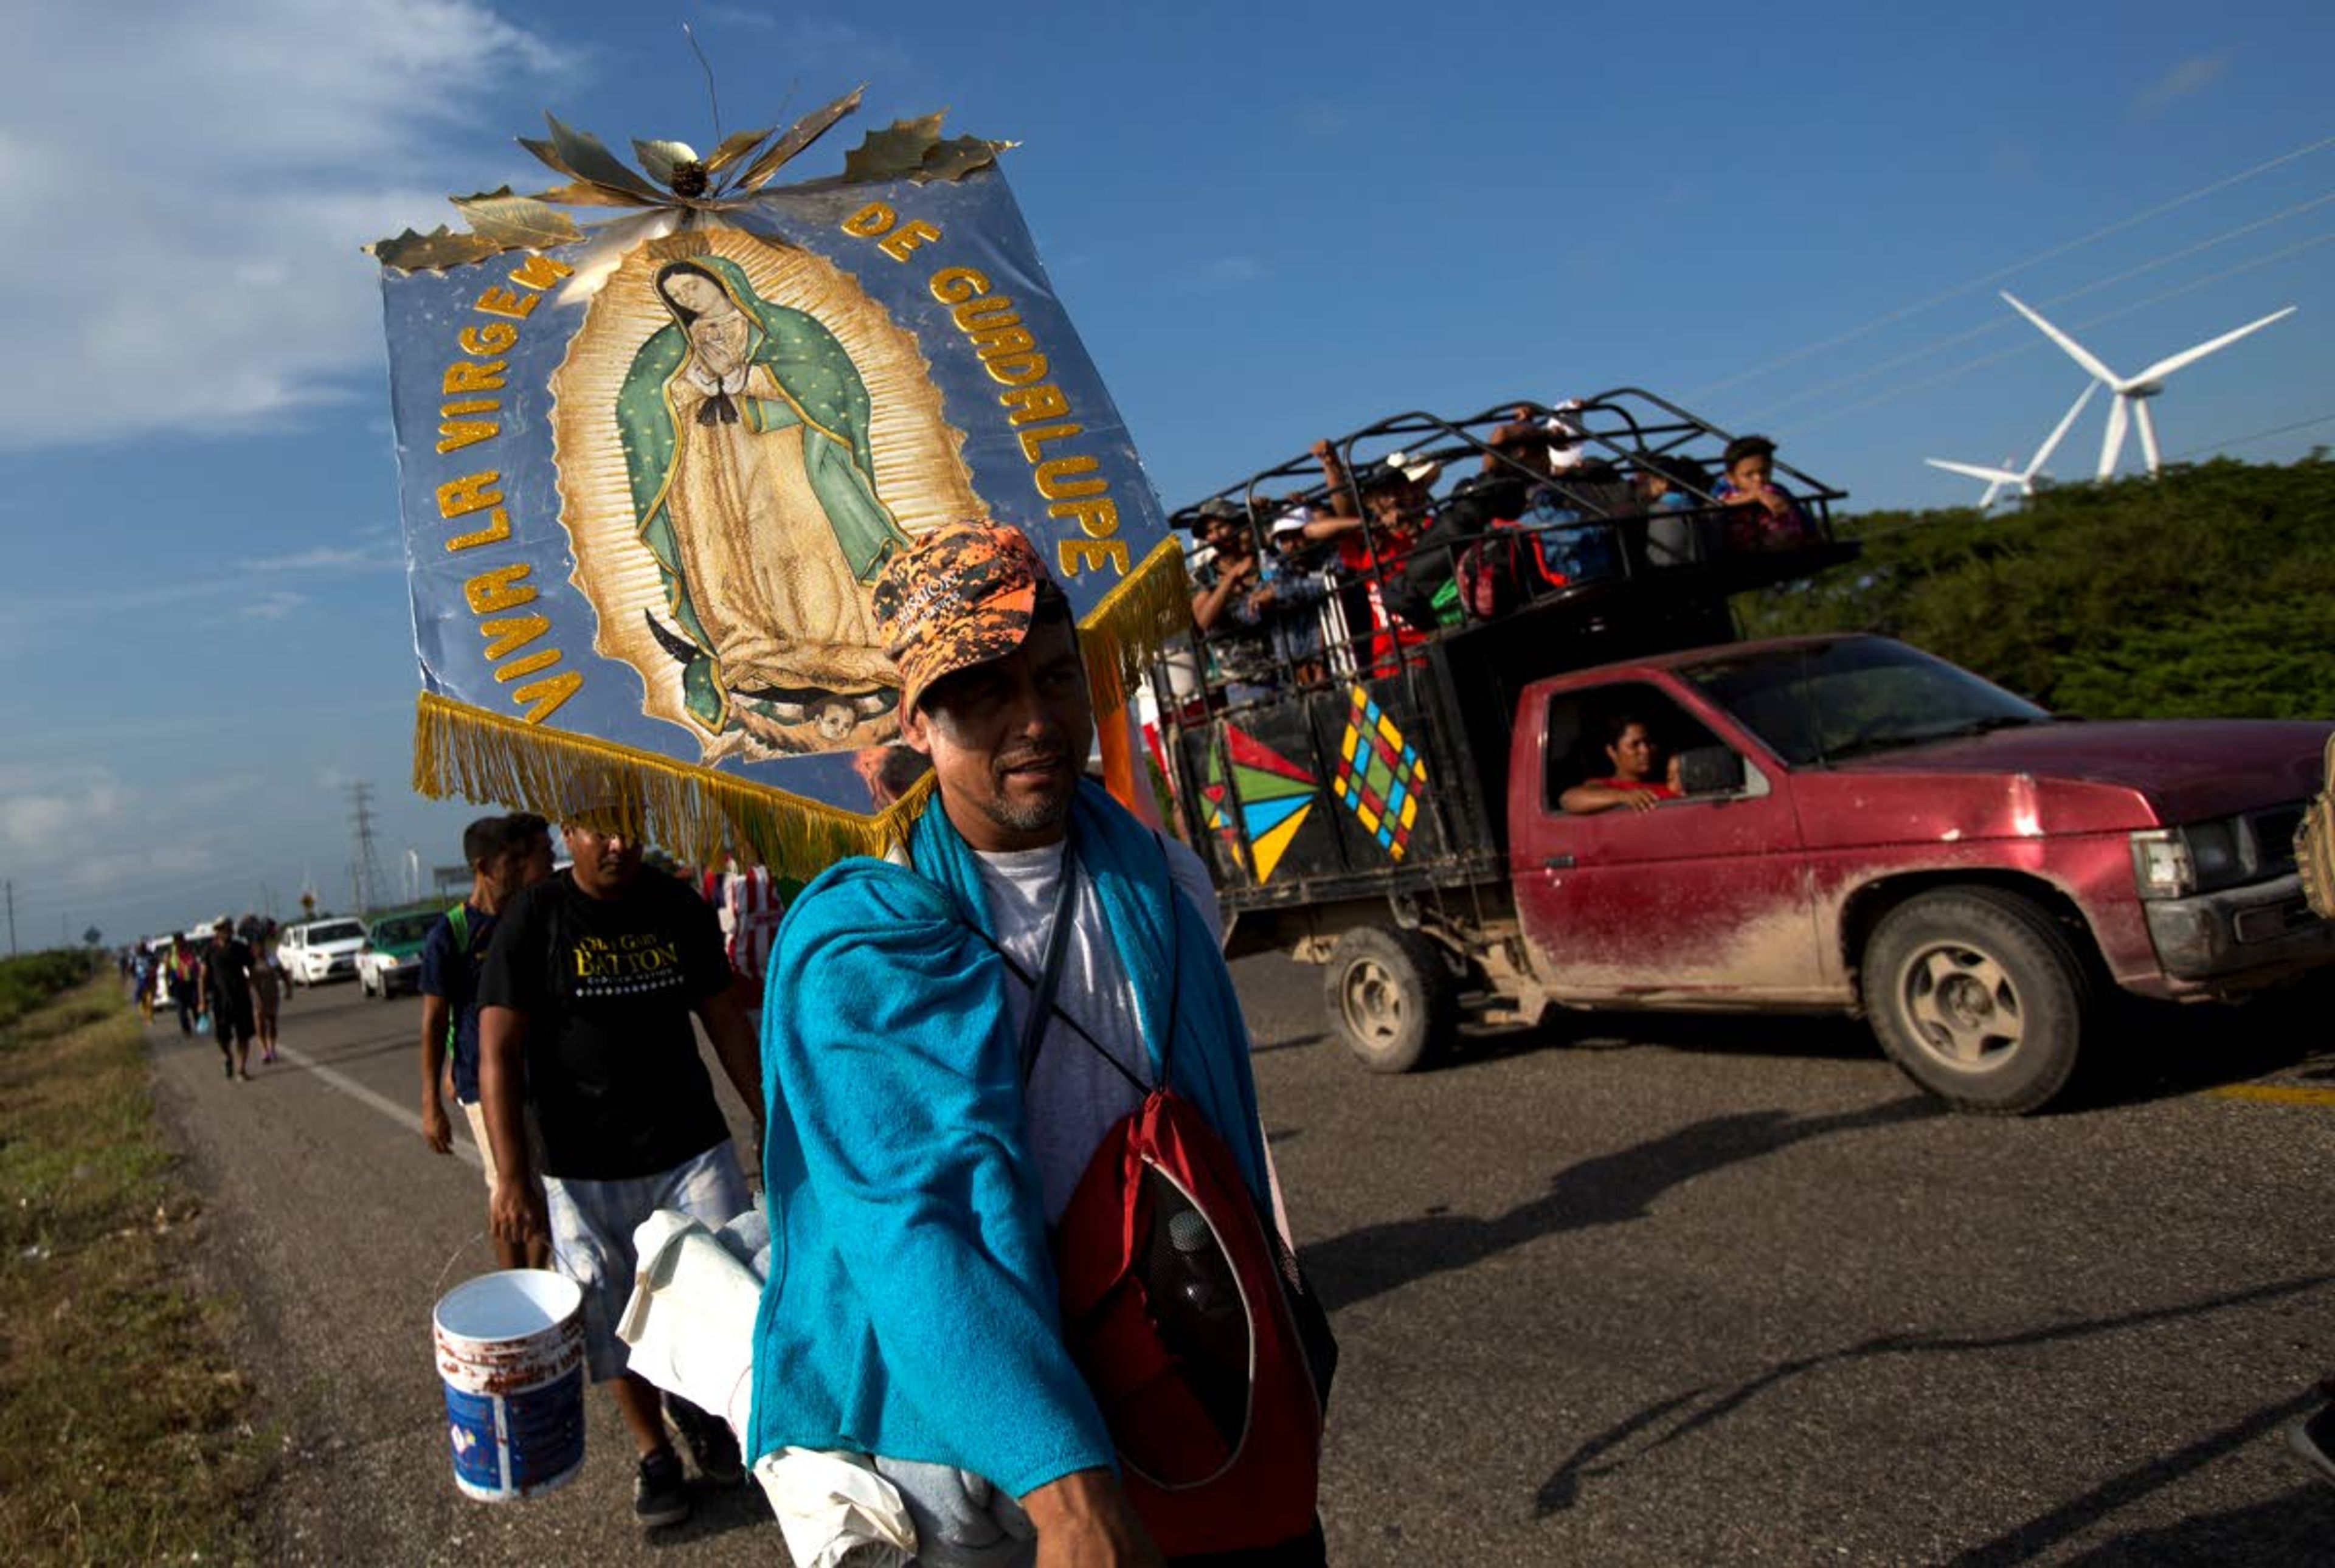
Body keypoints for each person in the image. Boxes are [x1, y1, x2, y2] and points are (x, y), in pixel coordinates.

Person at [747, 519, 1323, 1567]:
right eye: (981, 694)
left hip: (1188, 1372)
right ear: (918, 722)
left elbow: (1223, 1138)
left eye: (1056, 679)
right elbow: (913, 1224)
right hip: (1004, 1447)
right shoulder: (867, 945)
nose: (1035, 723)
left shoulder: (1165, 878)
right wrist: (1066, 1494)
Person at [476, 809, 763, 1530]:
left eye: (631, 826)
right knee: (610, 1316)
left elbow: (723, 1016)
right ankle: (654, 1451)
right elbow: (498, 1055)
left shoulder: (676, 905)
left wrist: (769, 1111)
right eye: (598, 829)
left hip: (687, 1145)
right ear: (568, 834)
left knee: (732, 1288)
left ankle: (706, 1405)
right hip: (580, 1165)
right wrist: (512, 1175)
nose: (618, 843)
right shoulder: (532, 919)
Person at [619, 254, 913, 746]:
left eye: (693, 286)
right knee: (730, 554)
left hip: (783, 455)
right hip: (706, 469)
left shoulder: (786, 328)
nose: (688, 299)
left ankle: (837, 641)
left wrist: (752, 381)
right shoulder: (667, 348)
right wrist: (688, 387)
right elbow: (638, 404)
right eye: (678, 297)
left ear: (721, 279)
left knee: (804, 541)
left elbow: (833, 386)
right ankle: (753, 643)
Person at [419, 812, 555, 1272]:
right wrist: (431, 1100)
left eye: (522, 857)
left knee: (544, 1188)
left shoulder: (524, 918)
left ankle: (539, 1278)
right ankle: (514, 1283)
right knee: (508, 1187)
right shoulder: (452, 934)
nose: (519, 867)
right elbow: (435, 1021)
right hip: (483, 1082)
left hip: (537, 1075)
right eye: (509, 860)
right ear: (482, 866)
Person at [1559, 713, 1684, 815]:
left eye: (1649, 743)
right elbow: (1569, 799)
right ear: (1612, 751)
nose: (1645, 750)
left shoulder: (1668, 780)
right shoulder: (1606, 787)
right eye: (1634, 745)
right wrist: (1624, 797)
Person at [1713, 433, 1814, 551]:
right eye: (1749, 475)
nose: (1758, 478)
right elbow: (1714, 506)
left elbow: (1803, 518)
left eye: (1764, 472)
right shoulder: (1725, 491)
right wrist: (1753, 496)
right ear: (1731, 478)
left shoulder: (1779, 490)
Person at [196, 918, 261, 1080]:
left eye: (228, 928)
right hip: (220, 1000)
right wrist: (202, 1001)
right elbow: (202, 977)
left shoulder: (240, 948)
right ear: (217, 931)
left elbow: (252, 970)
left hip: (241, 998)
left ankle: (241, 1070)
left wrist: (256, 993)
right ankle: (228, 1057)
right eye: (222, 929)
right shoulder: (209, 951)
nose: (226, 932)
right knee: (222, 1039)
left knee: (243, 1036)